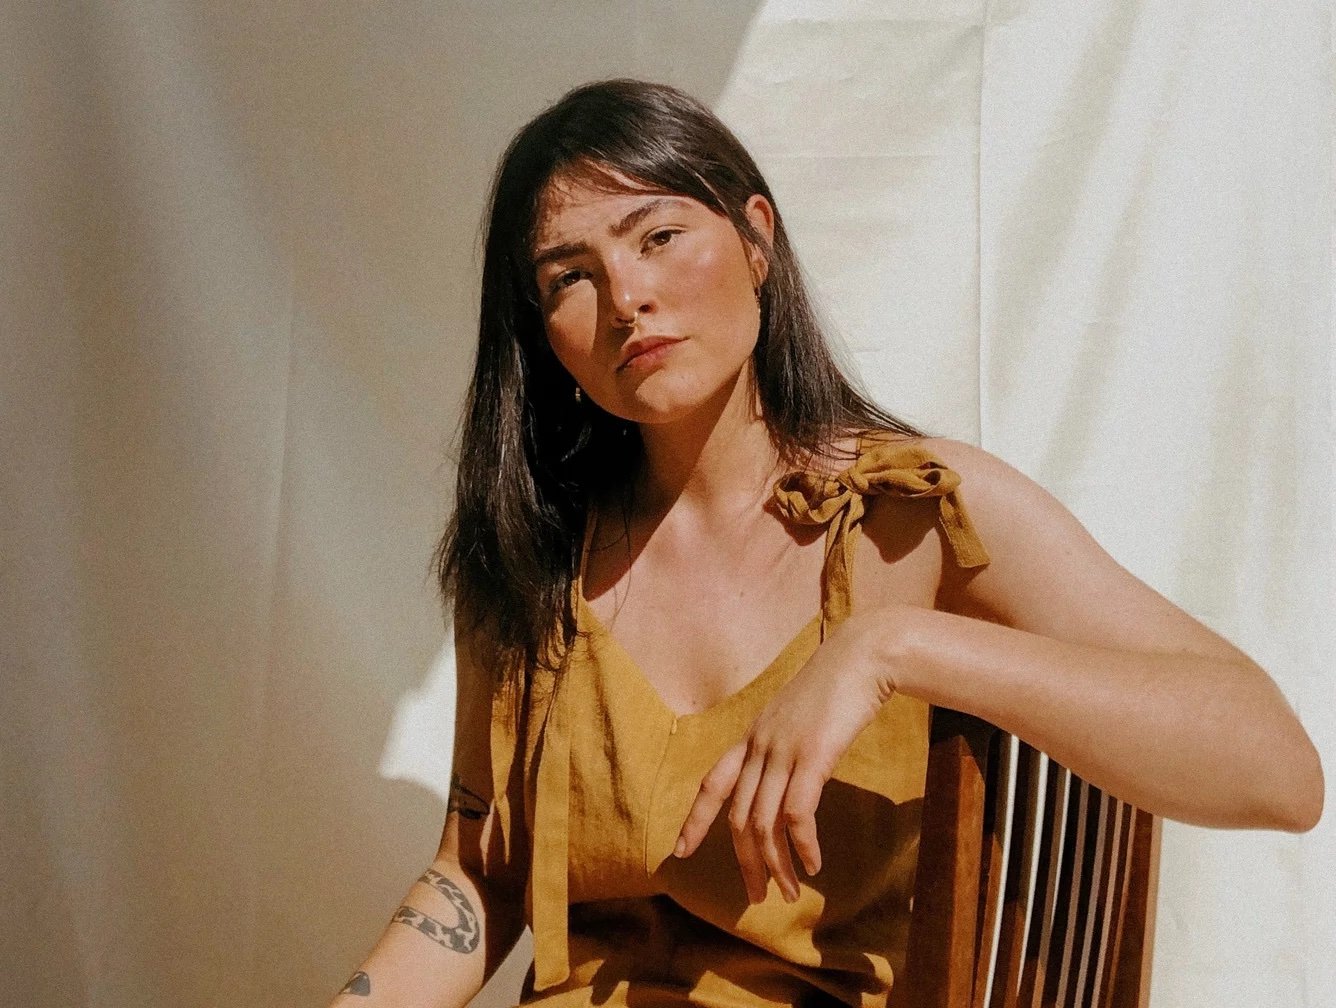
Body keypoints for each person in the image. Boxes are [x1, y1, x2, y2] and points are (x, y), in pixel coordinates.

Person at [330, 79, 1323, 1007]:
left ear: (757, 239)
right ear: (542, 331)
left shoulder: (913, 515)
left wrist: (894, 648)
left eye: (659, 236)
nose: (626, 296)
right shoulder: (536, 555)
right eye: (569, 278)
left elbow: (1276, 770)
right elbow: (480, 872)